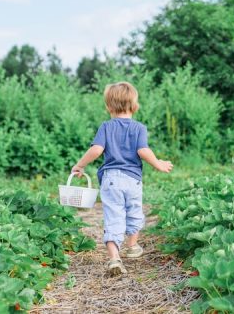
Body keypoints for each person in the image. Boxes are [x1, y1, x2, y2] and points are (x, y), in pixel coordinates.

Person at [71, 81, 173, 276]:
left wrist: (80, 165)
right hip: (132, 179)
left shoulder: (106, 126)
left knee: (113, 216)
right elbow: (143, 150)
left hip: (111, 180)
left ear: (109, 106)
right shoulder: (139, 128)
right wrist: (158, 163)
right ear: (134, 105)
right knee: (134, 212)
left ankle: (114, 258)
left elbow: (96, 150)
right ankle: (132, 246)